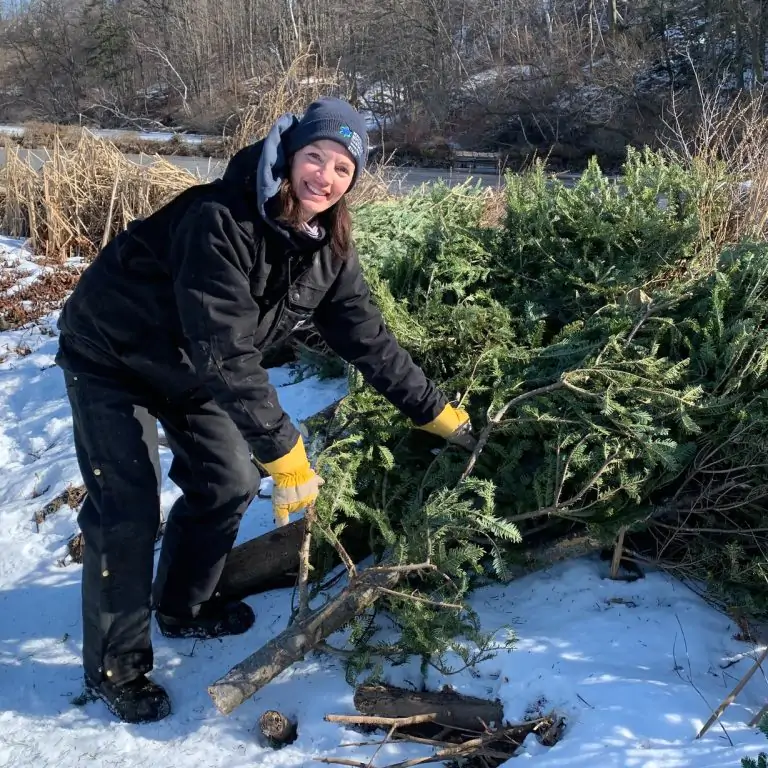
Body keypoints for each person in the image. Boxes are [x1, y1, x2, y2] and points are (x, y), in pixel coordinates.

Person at [55, 97, 475, 725]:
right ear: (288, 156)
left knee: (228, 483)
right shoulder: (218, 219)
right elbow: (224, 343)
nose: (324, 177)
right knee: (127, 510)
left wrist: (434, 412)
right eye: (315, 157)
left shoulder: (328, 245)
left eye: (342, 168)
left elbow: (366, 336)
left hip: (191, 368)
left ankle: (181, 606)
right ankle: (117, 666)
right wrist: (286, 450)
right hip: (111, 355)